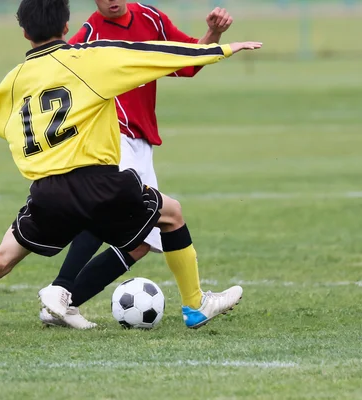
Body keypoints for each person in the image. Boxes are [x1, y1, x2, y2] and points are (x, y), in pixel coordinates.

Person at [0, 0, 261, 343]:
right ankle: (195, 306)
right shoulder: (89, 59)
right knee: (172, 214)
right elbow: (159, 56)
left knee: (1, 259)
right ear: (67, 25)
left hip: (46, 194)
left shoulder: (15, 79)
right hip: (99, 182)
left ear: (25, 33)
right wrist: (223, 49)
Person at [38, 1, 239, 329]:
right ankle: (195, 305)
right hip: (114, 138)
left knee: (144, 239)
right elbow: (48, 73)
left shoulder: (151, 17)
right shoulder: (89, 34)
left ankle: (63, 302)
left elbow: (187, 61)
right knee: (113, 212)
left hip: (140, 144)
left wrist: (213, 33)